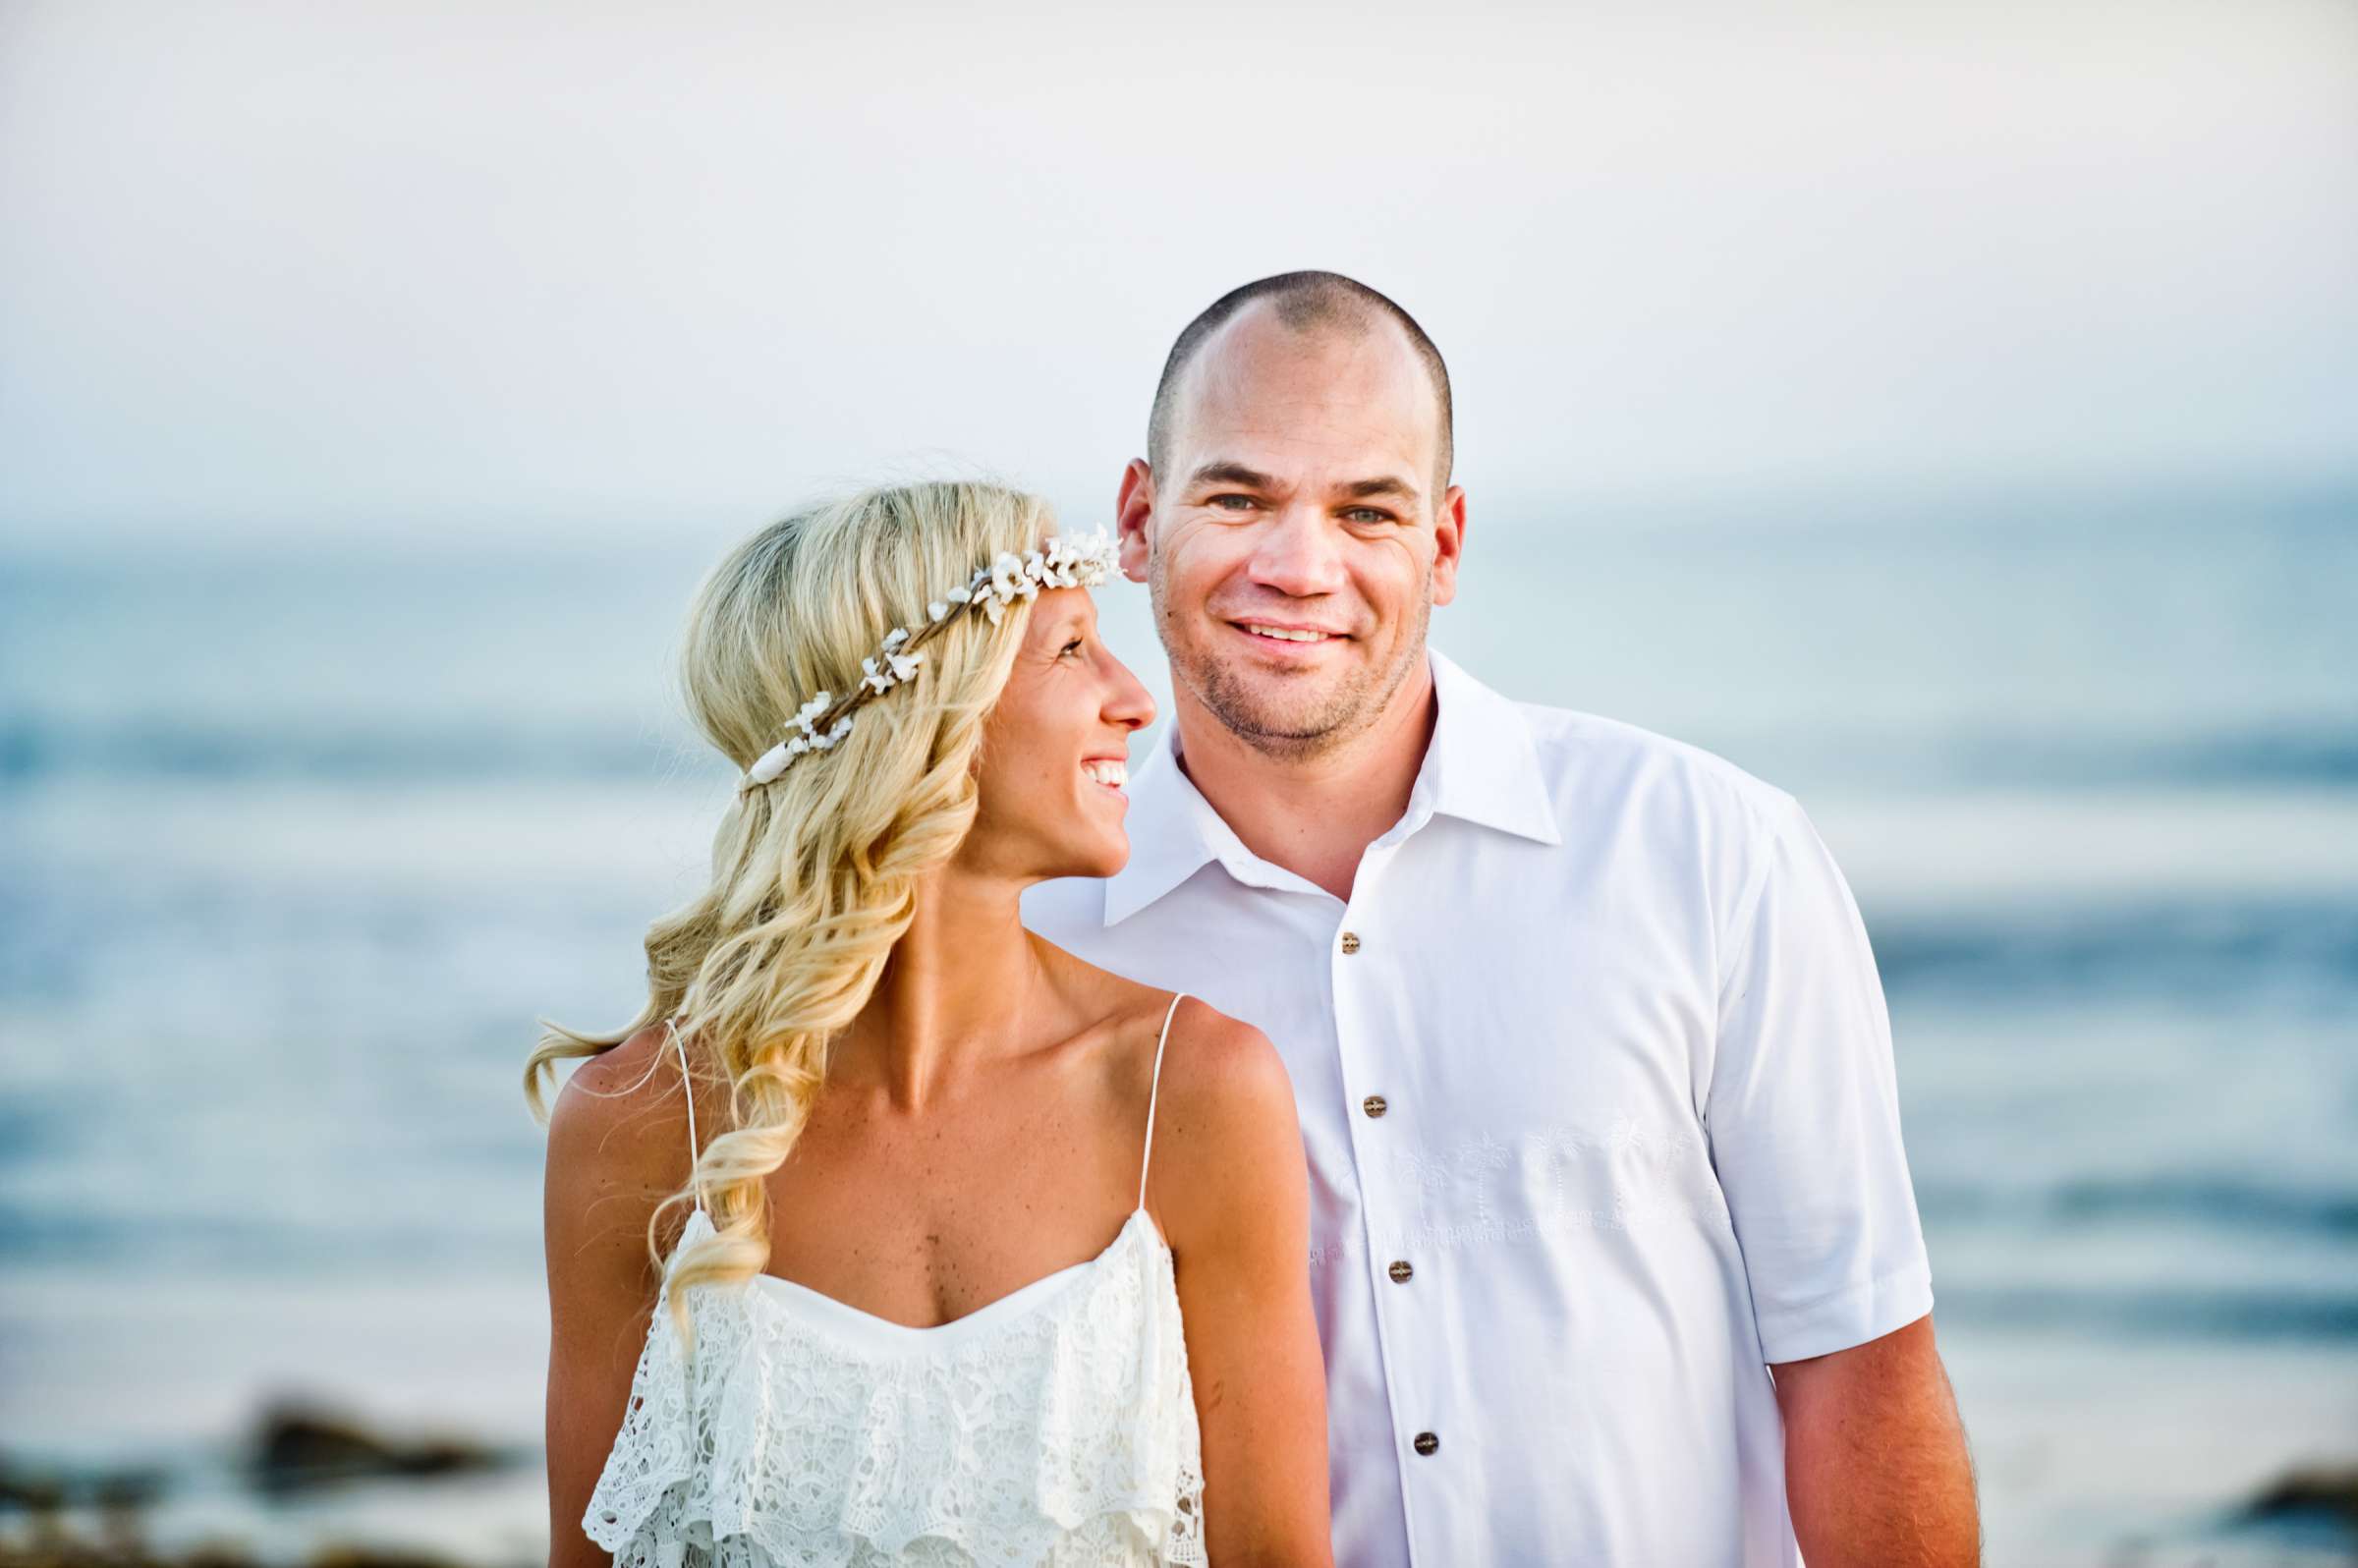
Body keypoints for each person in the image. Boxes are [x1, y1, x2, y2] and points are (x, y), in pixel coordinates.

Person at [1024, 272, 1982, 1566]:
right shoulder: (1040, 928)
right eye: (1239, 496)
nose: (1296, 567)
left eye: (1368, 509)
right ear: (1141, 520)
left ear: (1447, 546)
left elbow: (1857, 1364)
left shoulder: (1708, 850)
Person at [529, 481, 1333, 1567]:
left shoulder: (1191, 1093)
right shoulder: (636, 1124)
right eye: (1069, 650)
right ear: (925, 714)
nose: (1137, 700)